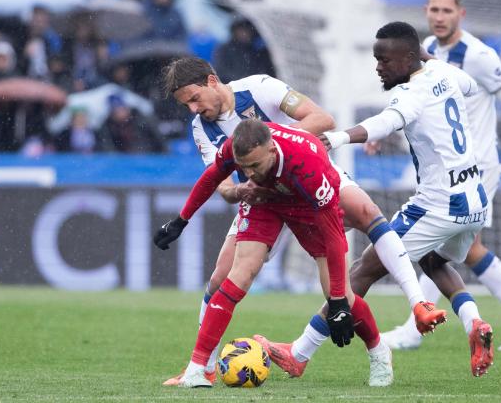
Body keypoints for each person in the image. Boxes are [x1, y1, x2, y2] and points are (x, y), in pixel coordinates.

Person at [157, 56, 444, 387]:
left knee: (350, 266)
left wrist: (336, 300)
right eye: (186, 105)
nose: (193, 109)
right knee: (227, 279)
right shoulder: (213, 136)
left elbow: (322, 122)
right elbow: (216, 182)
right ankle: (199, 368)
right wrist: (191, 215)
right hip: (260, 195)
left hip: (304, 186)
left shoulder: (261, 90)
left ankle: (384, 343)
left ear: (210, 81)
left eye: (194, 99)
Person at [256, 21, 495, 378]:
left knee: (362, 270)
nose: (379, 67)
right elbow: (472, 86)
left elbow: (386, 120)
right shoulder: (444, 72)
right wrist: (424, 57)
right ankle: (475, 323)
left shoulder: (408, 94)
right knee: (432, 260)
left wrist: (336, 139)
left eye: (385, 60)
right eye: (376, 59)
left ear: (410, 58)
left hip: (439, 204)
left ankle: (299, 352)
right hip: (475, 200)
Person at [153, 119, 391, 388]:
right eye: (243, 167)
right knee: (239, 275)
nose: (249, 173)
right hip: (264, 201)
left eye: (255, 165)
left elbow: (335, 237)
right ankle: (197, 369)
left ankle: (379, 352)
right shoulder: (238, 147)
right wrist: (181, 220)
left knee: (341, 294)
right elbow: (212, 177)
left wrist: (336, 302)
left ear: (272, 151)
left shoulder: (309, 164)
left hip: (307, 206)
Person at [375, 0, 501, 352]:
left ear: (460, 14)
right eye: (434, 10)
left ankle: (413, 327)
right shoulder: (426, 51)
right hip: (448, 169)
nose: (439, 17)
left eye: (446, 11)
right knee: (462, 250)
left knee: (442, 246)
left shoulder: (480, 55)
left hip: (478, 165)